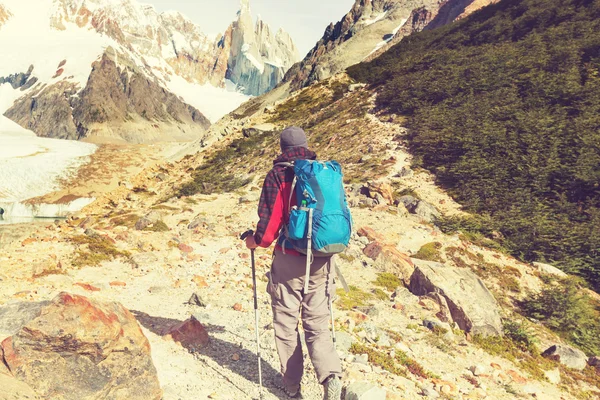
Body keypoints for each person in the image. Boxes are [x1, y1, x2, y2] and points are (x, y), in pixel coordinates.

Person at [245, 126, 342, 400]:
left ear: (282, 147)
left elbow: (269, 227)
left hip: (290, 260)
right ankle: (331, 375)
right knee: (317, 324)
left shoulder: (279, 174)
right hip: (323, 259)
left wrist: (254, 241)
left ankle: (291, 386)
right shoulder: (321, 173)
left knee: (287, 323)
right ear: (306, 144)